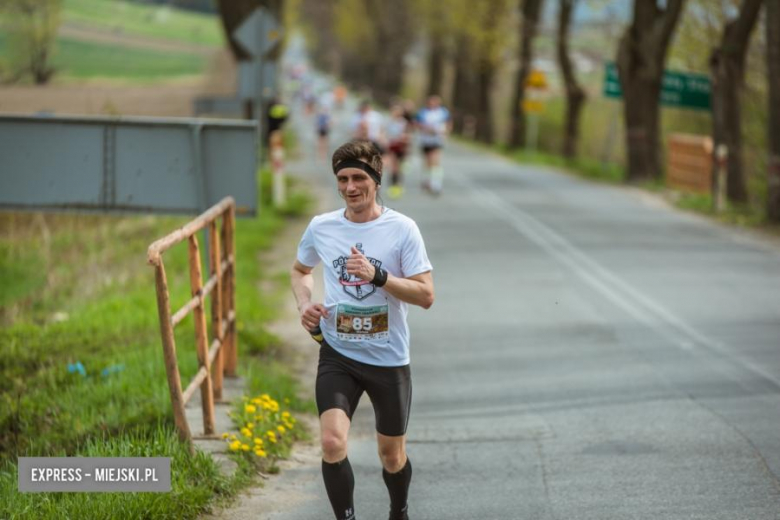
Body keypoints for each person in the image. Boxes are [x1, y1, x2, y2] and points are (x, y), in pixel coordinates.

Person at [291, 139, 434, 520]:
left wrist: (379, 276)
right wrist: (305, 304)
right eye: (342, 179)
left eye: (358, 177)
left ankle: (398, 511)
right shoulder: (322, 227)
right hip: (338, 352)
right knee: (332, 441)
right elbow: (300, 270)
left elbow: (425, 295)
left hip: (388, 358)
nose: (350, 187)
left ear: (376, 179)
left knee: (391, 455)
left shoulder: (403, 229)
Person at [415, 96, 450, 196]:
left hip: (437, 140)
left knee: (435, 161)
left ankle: (436, 184)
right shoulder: (423, 112)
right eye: (431, 103)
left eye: (435, 103)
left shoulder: (443, 112)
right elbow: (417, 123)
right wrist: (426, 128)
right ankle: (427, 181)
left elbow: (448, 123)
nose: (433, 104)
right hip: (425, 140)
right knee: (427, 162)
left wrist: (446, 132)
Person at [385, 104, 412, 199]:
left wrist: (405, 142)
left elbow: (408, 135)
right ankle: (393, 186)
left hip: (401, 147)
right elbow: (385, 134)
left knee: (399, 168)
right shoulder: (389, 122)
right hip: (392, 147)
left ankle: (398, 185)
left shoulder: (403, 123)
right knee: (392, 167)